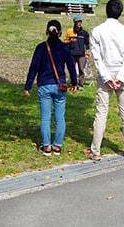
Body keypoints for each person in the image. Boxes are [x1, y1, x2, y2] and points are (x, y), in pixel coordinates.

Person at [85, 0, 124, 161]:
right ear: (120, 12)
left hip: (105, 74)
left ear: (106, 11)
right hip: (122, 74)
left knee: (101, 112)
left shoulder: (97, 31)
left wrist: (107, 77)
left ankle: (96, 151)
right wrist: (121, 77)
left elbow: (97, 57)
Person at [25, 20, 78, 156]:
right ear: (60, 33)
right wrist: (74, 82)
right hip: (60, 85)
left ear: (47, 32)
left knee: (45, 117)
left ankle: (46, 146)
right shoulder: (65, 48)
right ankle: (58, 145)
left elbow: (34, 68)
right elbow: (71, 66)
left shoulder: (41, 48)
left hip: (44, 85)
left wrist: (28, 86)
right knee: (60, 117)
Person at [65, 14, 90, 87]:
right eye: (77, 22)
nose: (79, 23)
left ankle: (81, 84)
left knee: (81, 70)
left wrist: (87, 53)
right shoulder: (69, 31)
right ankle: (73, 83)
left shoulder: (85, 33)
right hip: (71, 54)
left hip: (81, 55)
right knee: (72, 69)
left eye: (80, 22)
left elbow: (87, 44)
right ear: (74, 22)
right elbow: (65, 42)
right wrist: (70, 41)